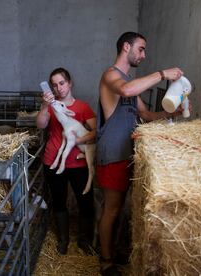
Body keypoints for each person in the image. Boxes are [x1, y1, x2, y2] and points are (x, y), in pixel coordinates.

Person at [96, 32, 187, 275]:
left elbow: (145, 115)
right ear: (126, 47)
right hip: (112, 153)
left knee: (121, 208)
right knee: (112, 209)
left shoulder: (129, 81)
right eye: (141, 49)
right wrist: (162, 74)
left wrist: (171, 114)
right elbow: (125, 91)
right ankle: (105, 261)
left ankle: (114, 250)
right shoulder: (111, 75)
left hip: (127, 153)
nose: (143, 55)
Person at [36, 67, 96, 255]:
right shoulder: (51, 106)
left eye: (62, 83)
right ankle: (63, 240)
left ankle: (84, 240)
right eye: (54, 85)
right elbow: (40, 124)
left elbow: (96, 131)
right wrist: (45, 106)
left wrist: (78, 141)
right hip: (53, 159)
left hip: (79, 163)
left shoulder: (82, 107)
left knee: (85, 201)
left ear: (70, 83)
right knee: (59, 201)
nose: (58, 88)